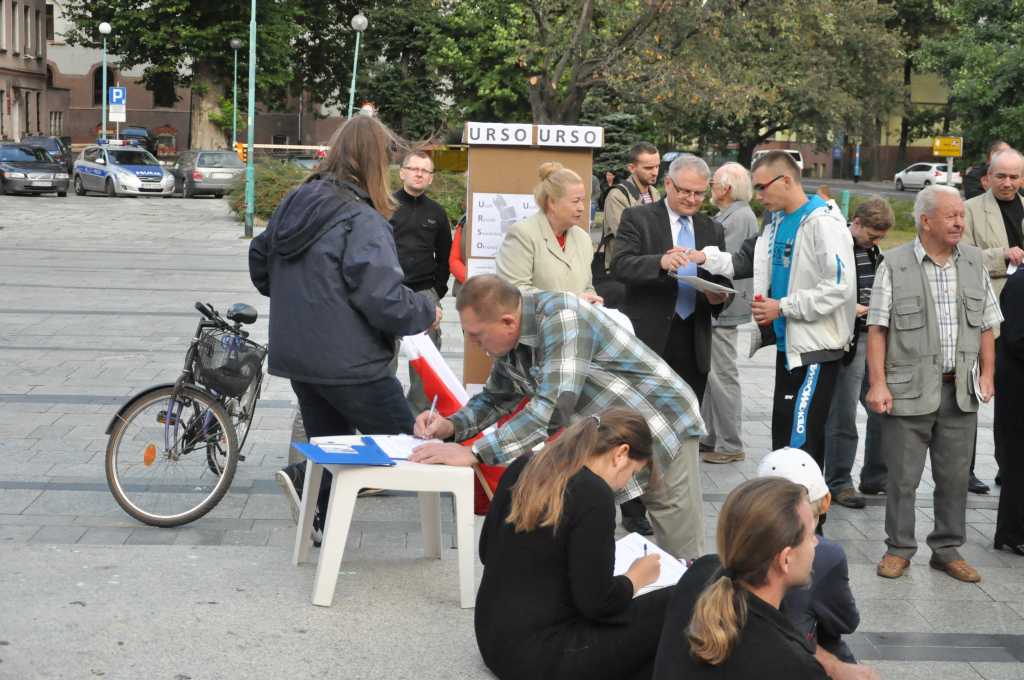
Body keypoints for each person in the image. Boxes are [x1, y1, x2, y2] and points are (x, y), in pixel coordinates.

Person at [410, 275, 707, 558]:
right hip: (608, 431)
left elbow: (552, 408)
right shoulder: (512, 335)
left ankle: (693, 604)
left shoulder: (562, 317)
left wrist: (474, 452)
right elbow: (496, 397)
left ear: (508, 322)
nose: (472, 344)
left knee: (677, 539)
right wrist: (450, 425)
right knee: (590, 518)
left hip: (661, 419)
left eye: (476, 336)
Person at [248, 116, 440, 532]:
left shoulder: (294, 202)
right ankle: (303, 479)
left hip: (299, 355)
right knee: (409, 442)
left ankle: (319, 523)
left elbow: (260, 262)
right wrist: (426, 310)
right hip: (351, 362)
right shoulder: (361, 217)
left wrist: (296, 297)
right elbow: (382, 297)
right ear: (373, 162)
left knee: (334, 444)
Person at [475, 408, 672, 680]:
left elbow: (487, 550)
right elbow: (597, 604)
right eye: (633, 472)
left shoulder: (525, 464)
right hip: (542, 656)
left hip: (492, 639)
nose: (626, 483)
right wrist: (635, 578)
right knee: (675, 599)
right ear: (620, 453)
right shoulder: (594, 494)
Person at [867, 184, 1000, 584]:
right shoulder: (894, 263)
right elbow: (877, 328)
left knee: (955, 477)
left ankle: (946, 549)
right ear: (925, 221)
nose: (960, 222)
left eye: (962, 215)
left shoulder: (974, 262)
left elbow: (988, 325)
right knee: (903, 477)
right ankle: (899, 549)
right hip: (907, 389)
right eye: (951, 215)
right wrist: (878, 384)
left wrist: (988, 375)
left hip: (959, 390)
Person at [699, 150, 855, 471]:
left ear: (785, 180)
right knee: (783, 442)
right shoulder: (775, 221)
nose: (757, 196)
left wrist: (781, 307)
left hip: (817, 350)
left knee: (802, 446)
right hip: (789, 349)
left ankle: (812, 518)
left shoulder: (823, 222)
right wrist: (702, 258)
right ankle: (789, 516)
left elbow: (840, 288)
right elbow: (744, 260)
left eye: (761, 187)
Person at [652, 477, 828, 679]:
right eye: (810, 535)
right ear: (785, 559)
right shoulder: (795, 667)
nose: (815, 542)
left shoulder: (699, 574)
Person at [611, 153, 731, 403]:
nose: (692, 199)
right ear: (667, 184)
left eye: (698, 193)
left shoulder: (712, 228)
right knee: (640, 418)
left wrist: (718, 296)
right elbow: (620, 266)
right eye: (685, 191)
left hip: (694, 340)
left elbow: (723, 280)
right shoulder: (638, 218)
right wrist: (660, 262)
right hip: (649, 336)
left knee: (688, 418)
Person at [758, 448, 865, 671]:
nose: (813, 544)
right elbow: (846, 621)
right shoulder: (825, 554)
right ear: (826, 501)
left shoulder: (733, 546)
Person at [823, 197, 894, 508]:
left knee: (882, 408)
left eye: (880, 237)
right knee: (843, 413)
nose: (876, 241)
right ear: (857, 223)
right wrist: (850, 307)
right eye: (872, 235)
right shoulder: (837, 249)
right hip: (846, 339)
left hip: (873, 337)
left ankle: (876, 475)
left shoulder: (874, 252)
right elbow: (822, 291)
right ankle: (838, 480)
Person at [963, 147, 1024, 494]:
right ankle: (966, 469)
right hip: (988, 318)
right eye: (1001, 176)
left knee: (1014, 404)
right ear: (989, 176)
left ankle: (1010, 466)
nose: (1008, 183)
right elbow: (962, 256)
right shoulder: (971, 210)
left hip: (1021, 321)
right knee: (971, 394)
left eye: (1014, 176)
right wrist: (1001, 255)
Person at [700, 162, 759, 464]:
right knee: (713, 373)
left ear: (726, 188)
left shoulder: (738, 217)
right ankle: (712, 436)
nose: (710, 188)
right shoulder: (733, 214)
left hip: (725, 305)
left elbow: (726, 264)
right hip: (720, 305)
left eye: (712, 183)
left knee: (722, 374)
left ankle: (730, 443)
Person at [391, 150, 453, 413]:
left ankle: (417, 416)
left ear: (430, 178)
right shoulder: (385, 205)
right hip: (388, 292)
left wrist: (435, 291)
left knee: (425, 362)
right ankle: (388, 413)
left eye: (425, 171)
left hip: (424, 294)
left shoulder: (437, 213)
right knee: (385, 357)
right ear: (402, 172)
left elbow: (445, 255)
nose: (419, 174)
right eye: (413, 168)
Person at [495, 161, 602, 304]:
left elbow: (587, 287)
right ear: (552, 202)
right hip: (536, 325)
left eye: (582, 200)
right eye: (575, 201)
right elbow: (513, 291)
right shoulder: (522, 234)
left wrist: (594, 301)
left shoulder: (583, 238)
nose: (581, 208)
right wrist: (568, 300)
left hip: (577, 325)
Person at [994, 269, 1024, 556]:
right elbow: (1016, 338)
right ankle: (1012, 532)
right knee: (1017, 462)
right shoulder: (1019, 283)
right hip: (1017, 389)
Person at [601, 142, 662, 269]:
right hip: (625, 269)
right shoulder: (617, 195)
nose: (655, 172)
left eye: (657, 166)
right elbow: (625, 236)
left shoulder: (655, 193)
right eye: (648, 168)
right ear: (632, 168)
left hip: (651, 266)